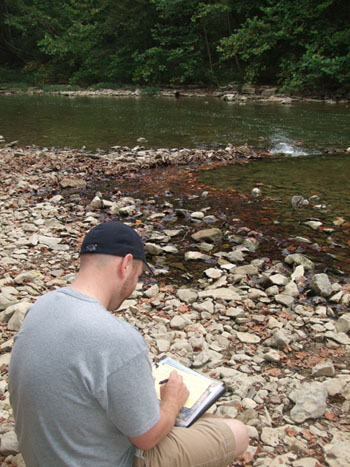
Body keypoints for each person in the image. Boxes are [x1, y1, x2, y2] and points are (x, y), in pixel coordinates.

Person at [9, 220, 248, 467]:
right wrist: (172, 402)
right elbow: (147, 438)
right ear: (125, 265)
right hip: (111, 461)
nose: (135, 285)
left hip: (46, 456)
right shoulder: (117, 337)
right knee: (237, 431)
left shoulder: (40, 307)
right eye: (139, 274)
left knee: (202, 417)